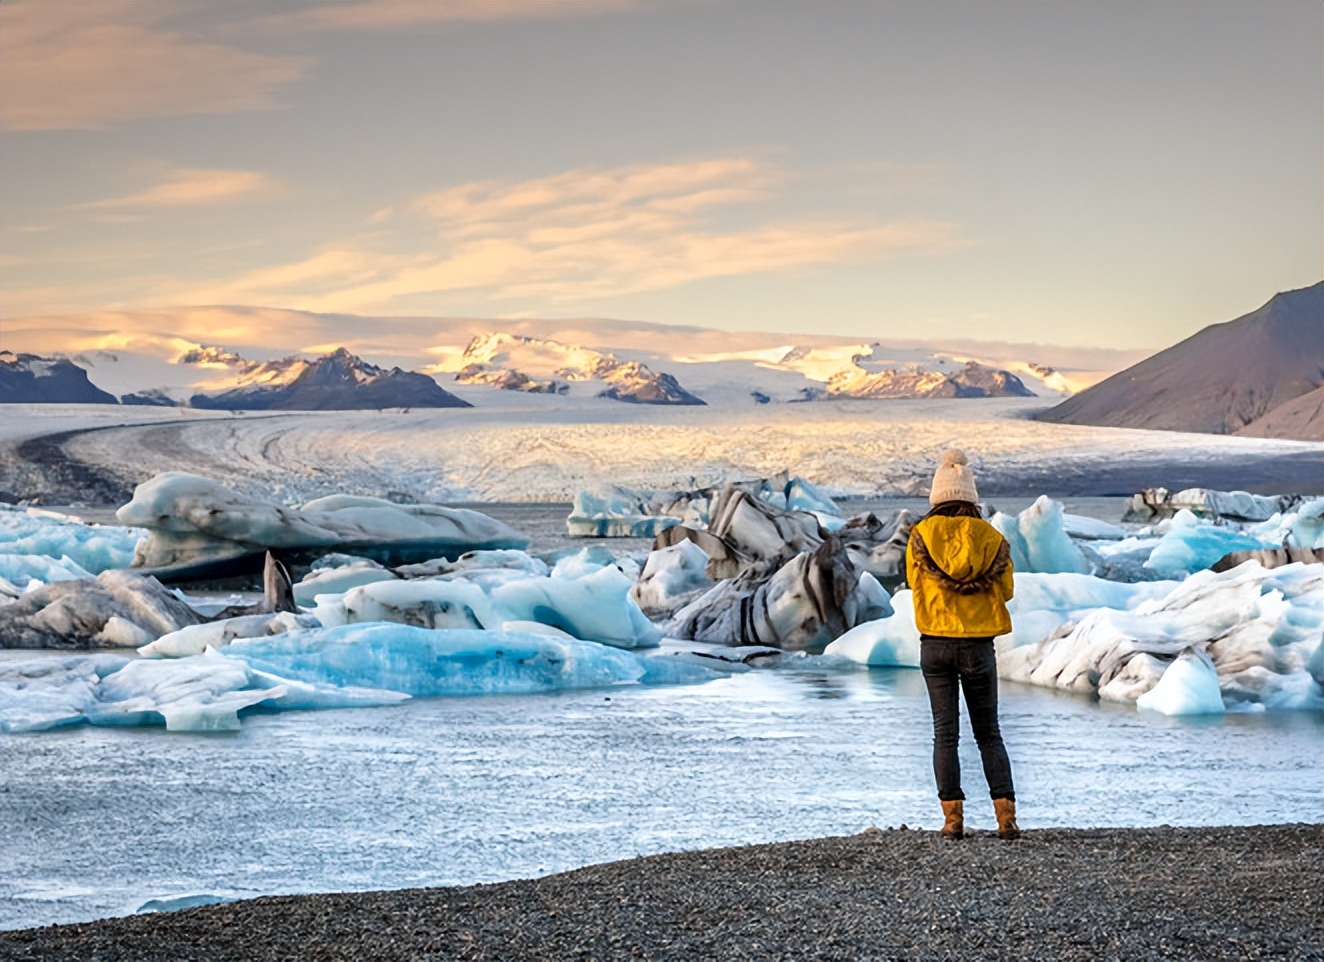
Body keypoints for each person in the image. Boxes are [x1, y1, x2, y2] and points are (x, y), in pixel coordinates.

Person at [905, 449, 1020, 840]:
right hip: (978, 645)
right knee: (989, 734)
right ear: (971, 497)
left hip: (934, 644)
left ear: (937, 496)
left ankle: (953, 821)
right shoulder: (993, 538)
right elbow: (1005, 591)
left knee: (945, 734)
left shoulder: (920, 537)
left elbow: (914, 584)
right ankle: (1006, 820)